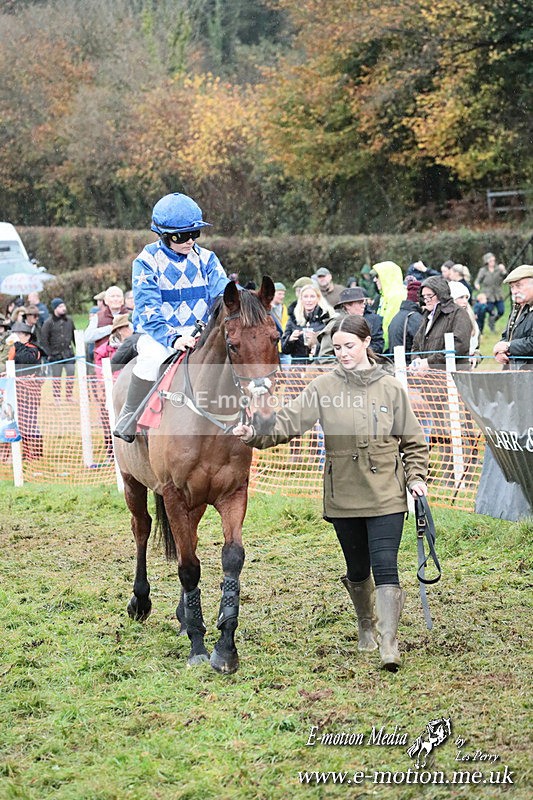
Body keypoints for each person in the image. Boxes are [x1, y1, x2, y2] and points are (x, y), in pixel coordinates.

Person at [233, 315, 428, 671]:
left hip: (387, 489)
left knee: (386, 566)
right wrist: (254, 435)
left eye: (349, 346)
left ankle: (389, 643)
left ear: (367, 342)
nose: (343, 353)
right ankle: (366, 625)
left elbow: (413, 440)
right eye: (337, 347)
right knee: (357, 568)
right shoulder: (323, 387)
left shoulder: (391, 387)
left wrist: (416, 477)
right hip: (343, 492)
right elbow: (288, 422)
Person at [114, 192, 229, 442]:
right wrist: (173, 338)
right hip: (159, 334)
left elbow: (224, 292)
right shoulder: (145, 262)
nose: (190, 241)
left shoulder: (207, 258)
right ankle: (129, 416)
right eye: (182, 236)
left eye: (194, 234)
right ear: (164, 236)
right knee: (151, 360)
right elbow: (148, 311)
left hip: (201, 332)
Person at [410, 277, 471, 372]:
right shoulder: (427, 316)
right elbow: (416, 345)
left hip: (455, 377)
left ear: (440, 294)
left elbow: (459, 346)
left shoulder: (458, 313)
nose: (426, 300)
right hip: (431, 379)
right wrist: (417, 361)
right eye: (424, 296)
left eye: (429, 296)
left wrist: (429, 363)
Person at [5, 320, 44, 460]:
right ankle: (26, 451)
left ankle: (37, 452)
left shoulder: (33, 349)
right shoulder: (13, 347)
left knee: (31, 421)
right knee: (19, 421)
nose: (17, 336)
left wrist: (19, 346)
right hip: (16, 389)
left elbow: (27, 360)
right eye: (15, 333)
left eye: (20, 334)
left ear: (28, 336)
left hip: (30, 391)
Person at [318, 287, 384, 358]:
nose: (364, 306)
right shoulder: (336, 323)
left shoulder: (355, 320)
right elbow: (325, 356)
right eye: (360, 303)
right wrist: (343, 367)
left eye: (364, 302)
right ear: (347, 305)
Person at [493, 265, 533, 370]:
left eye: (518, 285)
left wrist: (508, 346)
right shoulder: (519, 307)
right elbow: (507, 335)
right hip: (516, 371)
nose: (514, 291)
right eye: (512, 287)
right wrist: (501, 351)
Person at [281, 284, 335, 362]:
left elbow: (334, 345)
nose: (309, 300)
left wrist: (316, 344)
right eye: (305, 297)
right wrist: (290, 339)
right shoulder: (293, 318)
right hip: (297, 367)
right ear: (301, 299)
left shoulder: (327, 317)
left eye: (312, 296)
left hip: (321, 364)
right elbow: (285, 350)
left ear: (318, 298)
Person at [40, 298, 76, 403]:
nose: (63, 308)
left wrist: (78, 348)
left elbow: (74, 336)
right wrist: (49, 354)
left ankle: (69, 395)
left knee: (71, 372)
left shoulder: (69, 321)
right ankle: (57, 397)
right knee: (56, 376)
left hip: (68, 353)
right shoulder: (48, 323)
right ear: (55, 309)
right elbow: (44, 340)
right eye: (60, 307)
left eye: (64, 306)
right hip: (55, 355)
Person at [371, 262, 407, 351]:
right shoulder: (384, 296)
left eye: (377, 276)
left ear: (386, 277)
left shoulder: (397, 295)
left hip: (394, 348)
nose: (374, 280)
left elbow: (392, 326)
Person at [387, 279, 424, 363]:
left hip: (396, 365)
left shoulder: (397, 316)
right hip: (409, 367)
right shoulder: (414, 317)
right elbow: (422, 345)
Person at [84, 285, 129, 350]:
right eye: (112, 296)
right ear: (106, 300)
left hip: (127, 356)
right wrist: (110, 328)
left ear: (123, 300)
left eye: (118, 296)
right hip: (104, 357)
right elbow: (87, 337)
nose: (115, 299)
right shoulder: (98, 316)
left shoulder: (130, 316)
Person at [448, 281, 480, 369]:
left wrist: (476, 357)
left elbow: (477, 348)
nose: (465, 301)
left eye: (466, 298)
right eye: (461, 297)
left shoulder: (471, 318)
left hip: (467, 368)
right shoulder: (445, 320)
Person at [474, 252, 507, 332]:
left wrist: (504, 271)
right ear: (487, 261)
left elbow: (506, 277)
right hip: (487, 294)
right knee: (491, 312)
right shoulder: (483, 270)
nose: (492, 262)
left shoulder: (499, 269)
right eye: (490, 261)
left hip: (498, 293)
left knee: (501, 311)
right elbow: (477, 280)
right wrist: (477, 284)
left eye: (493, 260)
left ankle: (491, 322)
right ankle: (491, 328)